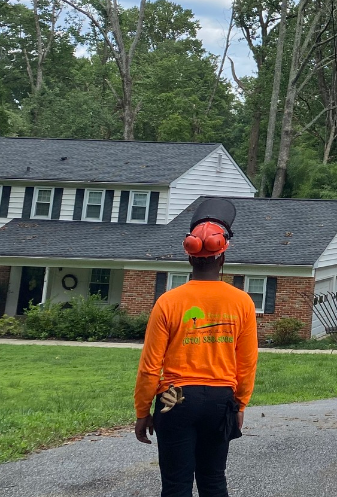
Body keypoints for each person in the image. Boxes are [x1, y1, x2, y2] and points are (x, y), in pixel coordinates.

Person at [134, 198, 259, 497]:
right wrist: (240, 405)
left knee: (176, 485)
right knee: (213, 480)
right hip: (220, 400)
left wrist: (142, 412)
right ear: (223, 258)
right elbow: (247, 363)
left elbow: (150, 366)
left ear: (189, 259)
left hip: (174, 399)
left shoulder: (168, 302)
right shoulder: (242, 302)